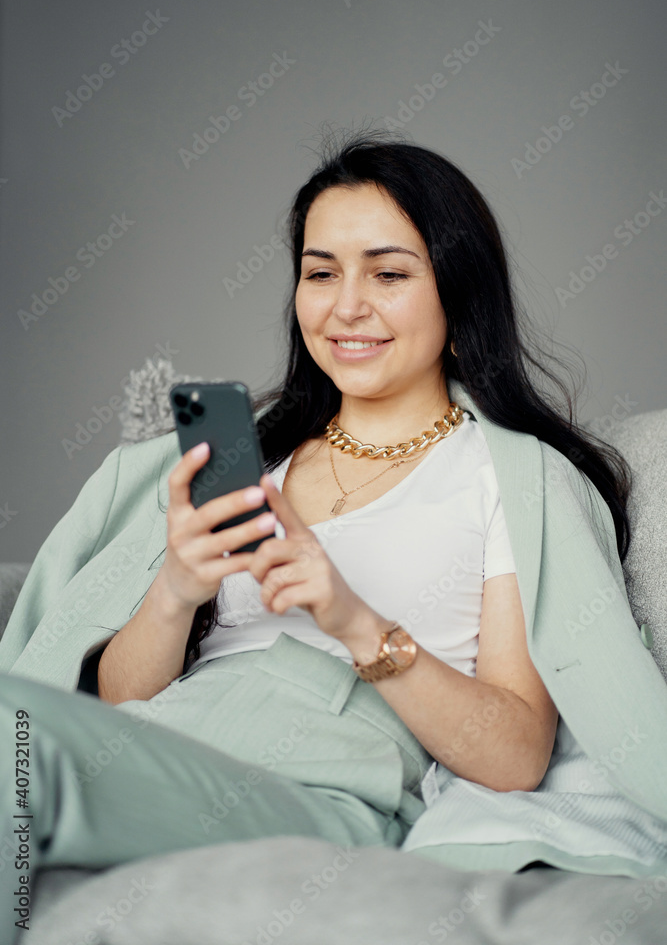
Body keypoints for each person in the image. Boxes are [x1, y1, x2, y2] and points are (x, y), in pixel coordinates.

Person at [0, 129, 654, 938]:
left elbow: (515, 753)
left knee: (16, 734)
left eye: (387, 273)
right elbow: (116, 703)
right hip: (154, 750)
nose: (346, 306)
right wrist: (176, 589)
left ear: (457, 297)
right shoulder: (249, 457)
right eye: (320, 273)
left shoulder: (510, 479)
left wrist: (352, 620)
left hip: (322, 774)